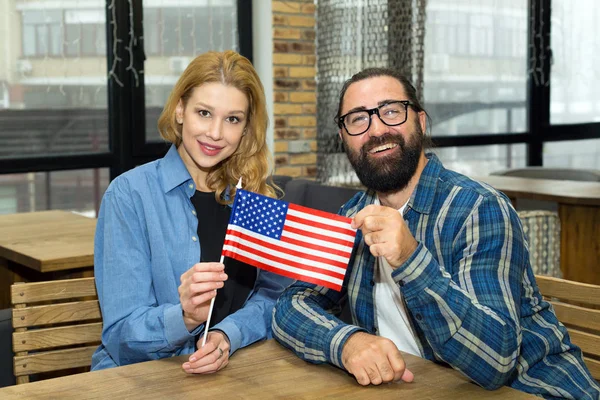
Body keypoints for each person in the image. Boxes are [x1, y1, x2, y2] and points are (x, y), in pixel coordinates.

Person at [272, 67, 600, 399]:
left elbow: (496, 360)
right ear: (343, 138)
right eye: (358, 119)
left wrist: (409, 258)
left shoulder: (479, 208)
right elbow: (291, 305)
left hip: (534, 391)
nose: (377, 130)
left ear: (421, 122)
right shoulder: (353, 216)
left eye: (391, 111)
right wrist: (346, 343)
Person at [93, 50, 292, 374]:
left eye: (232, 119)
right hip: (141, 381)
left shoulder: (256, 197)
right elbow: (120, 337)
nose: (215, 133)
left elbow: (277, 296)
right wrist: (184, 317)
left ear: (246, 128)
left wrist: (228, 335)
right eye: (204, 113)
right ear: (180, 110)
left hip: (234, 377)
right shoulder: (129, 195)